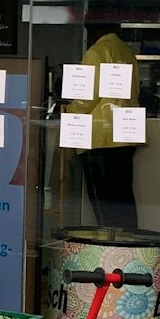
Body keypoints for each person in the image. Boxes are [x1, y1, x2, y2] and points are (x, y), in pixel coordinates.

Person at [66, 28, 140, 229]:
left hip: (100, 135)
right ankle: (127, 241)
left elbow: (87, 97)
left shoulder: (96, 52)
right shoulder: (127, 51)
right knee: (123, 196)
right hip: (126, 133)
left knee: (102, 200)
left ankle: (108, 244)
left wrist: (69, 109)